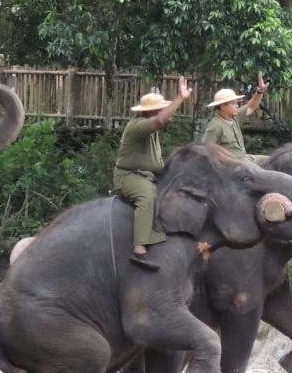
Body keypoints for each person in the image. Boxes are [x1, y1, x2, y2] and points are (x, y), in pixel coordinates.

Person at [113, 75, 193, 271]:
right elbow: (160, 121)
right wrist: (180, 98)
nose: (165, 110)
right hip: (129, 176)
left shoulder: (151, 131)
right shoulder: (138, 126)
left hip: (147, 175)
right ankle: (139, 249)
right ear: (151, 111)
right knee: (147, 196)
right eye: (161, 108)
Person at [201, 72, 269, 160]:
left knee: (273, 160)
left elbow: (251, 106)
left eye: (236, 103)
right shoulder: (215, 126)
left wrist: (260, 92)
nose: (237, 106)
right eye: (233, 103)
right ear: (223, 106)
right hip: (232, 165)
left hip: (245, 159)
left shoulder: (234, 118)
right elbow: (204, 153)